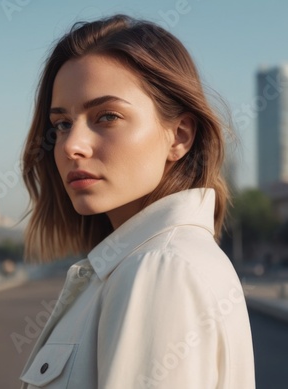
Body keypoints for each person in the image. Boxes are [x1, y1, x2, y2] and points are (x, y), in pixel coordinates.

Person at [19, 14, 255, 389]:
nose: (70, 145)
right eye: (62, 124)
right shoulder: (153, 262)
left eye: (107, 117)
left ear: (179, 136)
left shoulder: (161, 268)